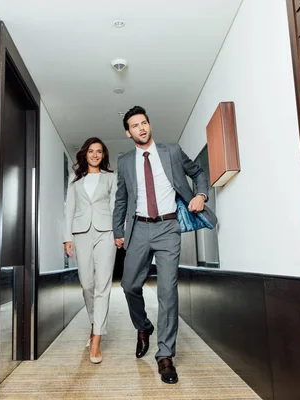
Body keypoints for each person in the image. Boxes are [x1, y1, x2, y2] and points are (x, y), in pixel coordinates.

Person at [113, 106, 216, 384]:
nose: (141, 128)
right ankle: (143, 326)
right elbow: (121, 199)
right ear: (128, 132)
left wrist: (201, 195)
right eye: (135, 125)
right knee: (129, 285)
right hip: (138, 228)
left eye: (144, 123)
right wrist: (117, 230)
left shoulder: (171, 151)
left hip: (168, 227)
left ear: (149, 125)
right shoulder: (124, 162)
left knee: (168, 291)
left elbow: (198, 172)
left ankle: (165, 355)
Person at [63, 137, 117, 364]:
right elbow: (69, 210)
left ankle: (96, 338)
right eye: (91, 151)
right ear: (85, 154)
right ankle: (94, 323)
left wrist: (118, 233)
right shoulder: (75, 181)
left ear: (103, 155)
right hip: (81, 233)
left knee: (103, 285)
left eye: (99, 151)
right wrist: (67, 238)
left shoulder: (111, 178)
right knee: (87, 284)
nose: (95, 155)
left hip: (106, 232)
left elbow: (116, 206)